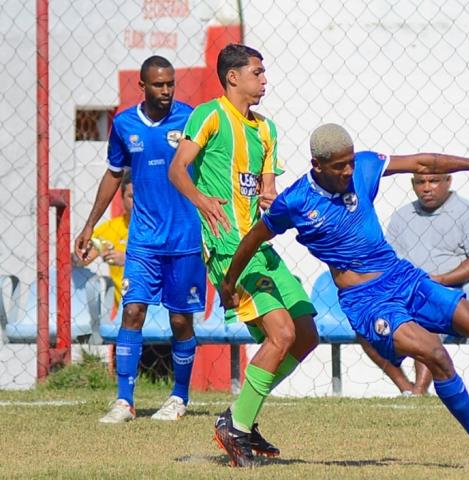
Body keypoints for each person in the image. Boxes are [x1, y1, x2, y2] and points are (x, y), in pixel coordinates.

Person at [219, 123, 469, 470]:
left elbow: (425, 162)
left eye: (350, 161)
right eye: (339, 166)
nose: (349, 171)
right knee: (436, 354)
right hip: (367, 301)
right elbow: (254, 237)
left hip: (404, 277)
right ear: (318, 165)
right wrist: (229, 282)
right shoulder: (296, 201)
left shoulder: (363, 166)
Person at [168, 44, 319, 468]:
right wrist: (201, 199)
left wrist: (275, 200)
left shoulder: (267, 129)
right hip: (227, 247)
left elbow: (266, 189)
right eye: (257, 72)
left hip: (260, 246)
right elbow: (177, 169)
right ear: (233, 77)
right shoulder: (210, 115)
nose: (264, 80)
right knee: (282, 335)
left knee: (306, 334)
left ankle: (239, 417)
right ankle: (238, 424)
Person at [75, 56, 205, 424]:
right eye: (159, 85)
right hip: (144, 240)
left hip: (185, 238)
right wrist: (89, 225)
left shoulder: (191, 120)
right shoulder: (124, 124)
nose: (166, 91)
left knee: (181, 322)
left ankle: (179, 396)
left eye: (170, 84)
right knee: (133, 311)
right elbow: (114, 175)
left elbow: (213, 165)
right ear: (143, 86)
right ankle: (124, 402)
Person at [361, 173, 469, 396]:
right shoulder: (402, 216)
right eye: (420, 182)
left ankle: (420, 390)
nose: (426, 188)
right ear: (413, 184)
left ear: (448, 181)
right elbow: (389, 261)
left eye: (433, 181)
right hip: (407, 292)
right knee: (365, 325)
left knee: (426, 317)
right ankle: (406, 389)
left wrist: (438, 281)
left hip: (456, 292)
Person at [76, 169, 133, 312]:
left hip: (157, 306)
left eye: (141, 196)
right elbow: (83, 259)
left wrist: (127, 260)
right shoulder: (110, 228)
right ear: (122, 197)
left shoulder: (159, 228)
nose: (137, 202)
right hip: (122, 309)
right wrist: (81, 254)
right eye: (131, 196)